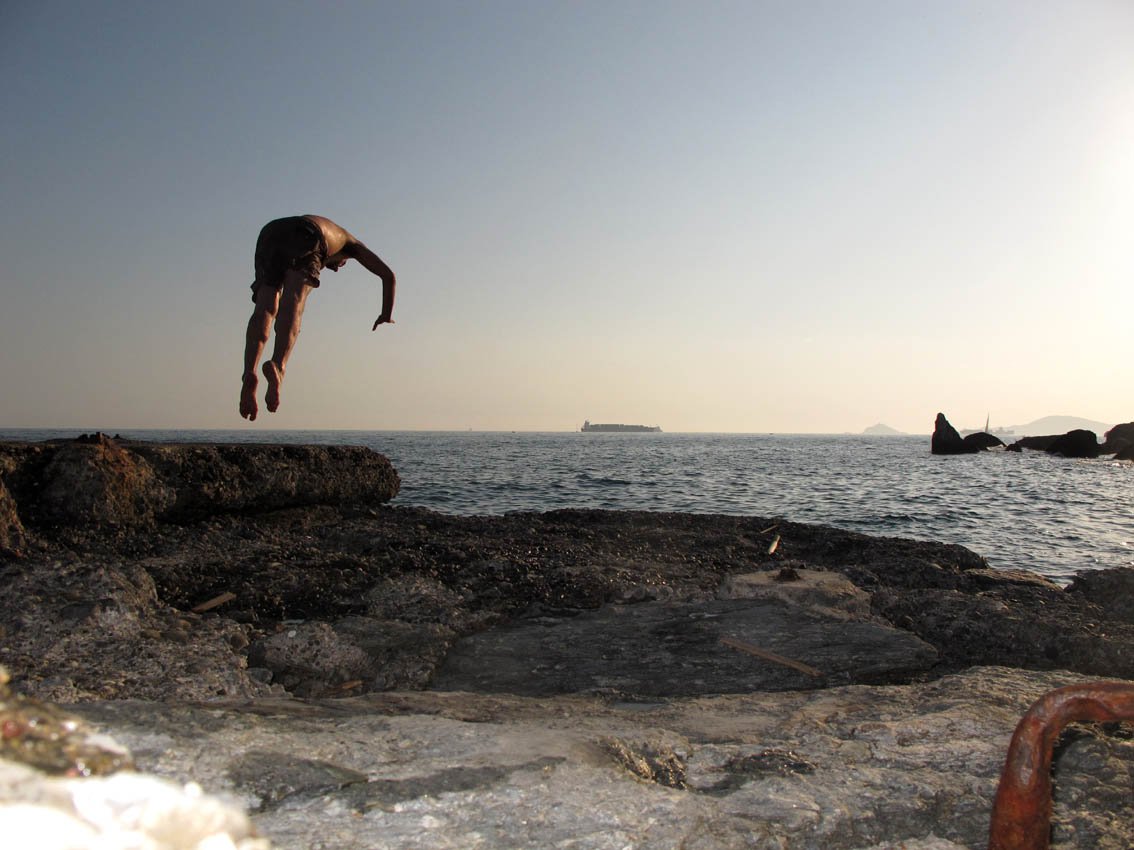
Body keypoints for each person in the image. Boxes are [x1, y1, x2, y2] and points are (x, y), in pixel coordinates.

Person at [240, 215, 396, 421]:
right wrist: (386, 314)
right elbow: (388, 275)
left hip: (270, 233)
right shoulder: (351, 244)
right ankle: (278, 366)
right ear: (344, 257)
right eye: (341, 264)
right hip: (307, 233)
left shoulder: (331, 234)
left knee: (265, 308)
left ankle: (249, 372)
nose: (336, 268)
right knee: (294, 303)